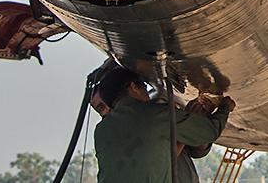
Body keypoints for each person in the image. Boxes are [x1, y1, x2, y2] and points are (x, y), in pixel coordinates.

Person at [93, 67, 235, 183]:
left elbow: (195, 149)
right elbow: (210, 131)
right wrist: (224, 108)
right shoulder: (156, 113)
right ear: (133, 87)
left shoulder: (101, 131)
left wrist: (188, 122)